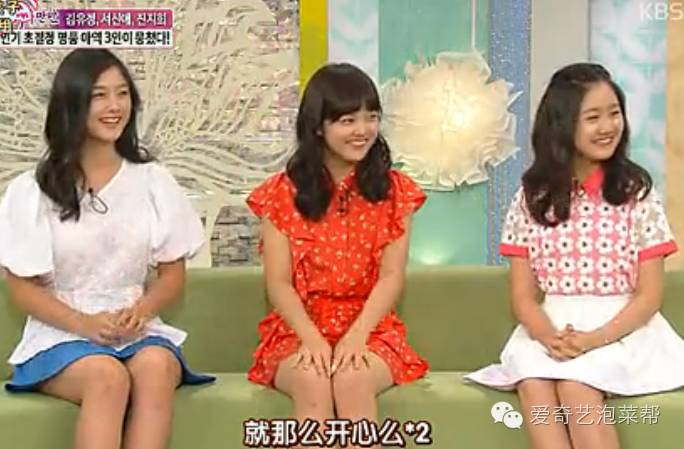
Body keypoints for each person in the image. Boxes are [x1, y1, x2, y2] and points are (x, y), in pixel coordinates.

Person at [0, 49, 213, 449]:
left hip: (135, 326)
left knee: (156, 367)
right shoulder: (33, 189)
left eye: (122, 93)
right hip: (61, 332)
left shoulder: (153, 181)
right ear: (72, 102)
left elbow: (172, 276)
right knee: (106, 376)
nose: (115, 106)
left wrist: (142, 311)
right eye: (99, 95)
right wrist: (83, 324)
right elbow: (21, 287)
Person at [465, 63, 684, 449]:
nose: (608, 126)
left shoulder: (636, 192)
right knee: (533, 383)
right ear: (562, 125)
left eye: (614, 113)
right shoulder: (531, 198)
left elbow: (649, 296)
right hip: (551, 329)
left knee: (575, 385)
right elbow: (523, 297)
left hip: (623, 329)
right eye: (593, 117)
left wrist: (594, 339)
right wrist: (549, 337)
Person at [246, 63, 428, 447]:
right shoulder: (281, 193)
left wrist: (356, 337)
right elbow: (278, 283)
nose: (363, 130)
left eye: (371, 117)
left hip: (372, 329)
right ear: (318, 126)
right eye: (348, 120)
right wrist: (312, 340)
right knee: (312, 380)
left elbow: (391, 277)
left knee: (352, 378)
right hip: (298, 330)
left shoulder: (396, 191)